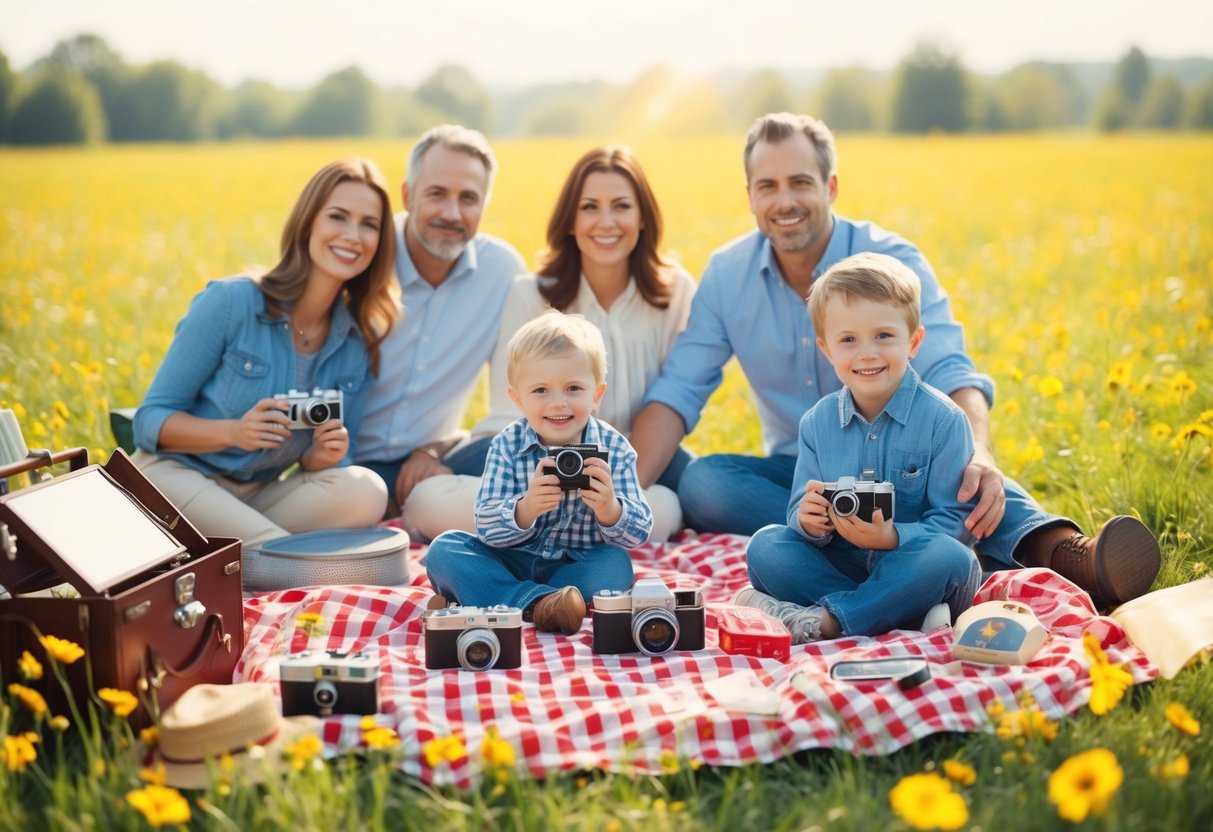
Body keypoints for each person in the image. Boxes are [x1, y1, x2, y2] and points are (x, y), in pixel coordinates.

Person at [631, 112, 1159, 606]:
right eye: (767, 186)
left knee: (958, 474)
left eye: (800, 182)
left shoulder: (891, 263)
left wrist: (979, 455)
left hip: (909, 464)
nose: (784, 200)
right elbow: (679, 390)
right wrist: (619, 508)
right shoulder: (728, 275)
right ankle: (880, 558)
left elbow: (951, 369)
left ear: (830, 187)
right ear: (749, 196)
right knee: (703, 482)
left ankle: (1063, 552)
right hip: (809, 466)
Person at [404, 145, 695, 542]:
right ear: (570, 221)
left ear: (642, 216)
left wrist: (616, 486)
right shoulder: (531, 293)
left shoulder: (674, 292)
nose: (605, 222)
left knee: (671, 503)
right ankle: (546, 526)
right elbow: (511, 409)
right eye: (589, 207)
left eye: (621, 206)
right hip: (531, 461)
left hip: (627, 467)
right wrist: (533, 489)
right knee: (425, 500)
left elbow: (674, 399)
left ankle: (576, 529)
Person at [132, 158, 400, 548]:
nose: (353, 236)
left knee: (368, 491)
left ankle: (239, 553)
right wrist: (235, 432)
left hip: (258, 495)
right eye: (338, 217)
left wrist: (319, 458)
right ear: (309, 222)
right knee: (273, 548)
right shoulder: (232, 302)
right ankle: (279, 559)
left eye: (369, 224)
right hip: (177, 476)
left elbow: (330, 461)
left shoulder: (356, 344)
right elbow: (148, 421)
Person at [737, 252, 983, 642]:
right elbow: (797, 511)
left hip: (912, 565)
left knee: (951, 559)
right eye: (848, 340)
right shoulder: (818, 423)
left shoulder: (943, 420)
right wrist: (810, 520)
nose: (867, 353)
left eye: (883, 336)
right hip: (840, 564)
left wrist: (890, 538)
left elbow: (955, 523)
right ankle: (898, 614)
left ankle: (829, 622)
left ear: (914, 341)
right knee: (767, 545)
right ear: (826, 350)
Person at [424, 310, 653, 635]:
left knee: (615, 566)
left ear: (597, 395)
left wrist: (610, 509)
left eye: (573, 388)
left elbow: (640, 531)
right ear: (518, 400)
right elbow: (485, 526)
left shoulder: (614, 448)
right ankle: (539, 605)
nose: (558, 403)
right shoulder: (507, 444)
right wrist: (525, 508)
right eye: (541, 391)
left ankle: (493, 600)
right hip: (511, 559)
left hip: (573, 568)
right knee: (446, 549)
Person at [354, 124, 527, 517]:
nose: (452, 213)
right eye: (436, 194)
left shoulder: (502, 271)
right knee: (356, 497)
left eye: (468, 198)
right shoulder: (364, 256)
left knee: (530, 462)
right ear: (407, 195)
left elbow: (516, 399)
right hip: (347, 467)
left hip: (436, 462)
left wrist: (437, 450)